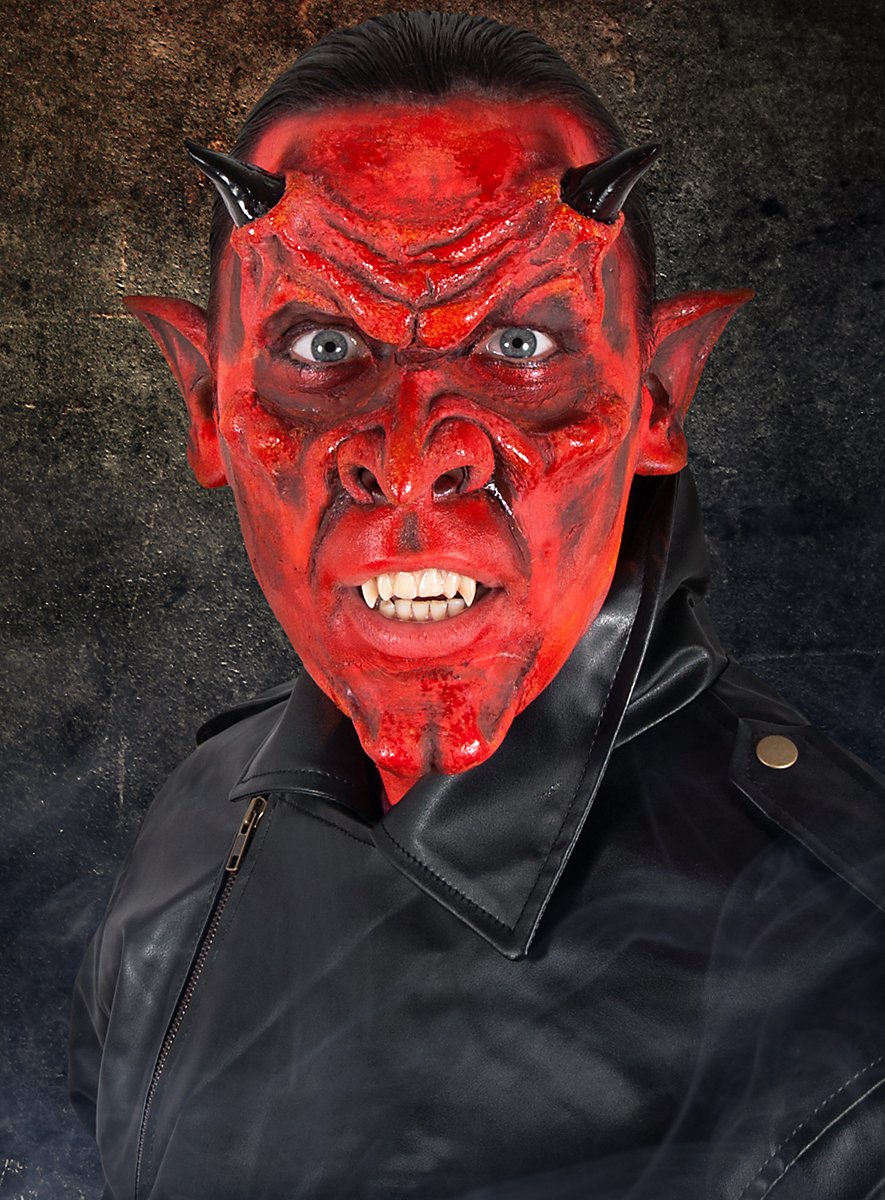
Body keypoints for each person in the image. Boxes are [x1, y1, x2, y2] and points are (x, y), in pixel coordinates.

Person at [69, 12, 885, 1199]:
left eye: (518, 341)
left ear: (659, 395)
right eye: (322, 344)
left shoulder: (845, 974)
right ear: (205, 402)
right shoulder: (201, 813)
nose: (410, 460)